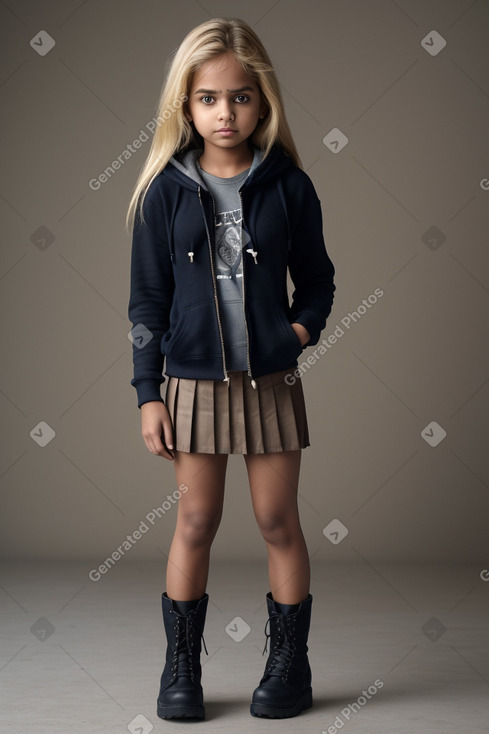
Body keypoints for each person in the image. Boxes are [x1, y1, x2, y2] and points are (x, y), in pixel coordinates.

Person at [126, 17, 335, 721]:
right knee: (195, 522)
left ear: (263, 100)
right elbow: (146, 303)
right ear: (185, 106)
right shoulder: (163, 192)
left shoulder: (288, 186)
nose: (225, 112)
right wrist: (148, 394)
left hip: (269, 381)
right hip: (190, 381)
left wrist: (296, 331)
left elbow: (317, 280)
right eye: (208, 98)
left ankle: (288, 666)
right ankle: (181, 668)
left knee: (278, 520)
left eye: (241, 97)